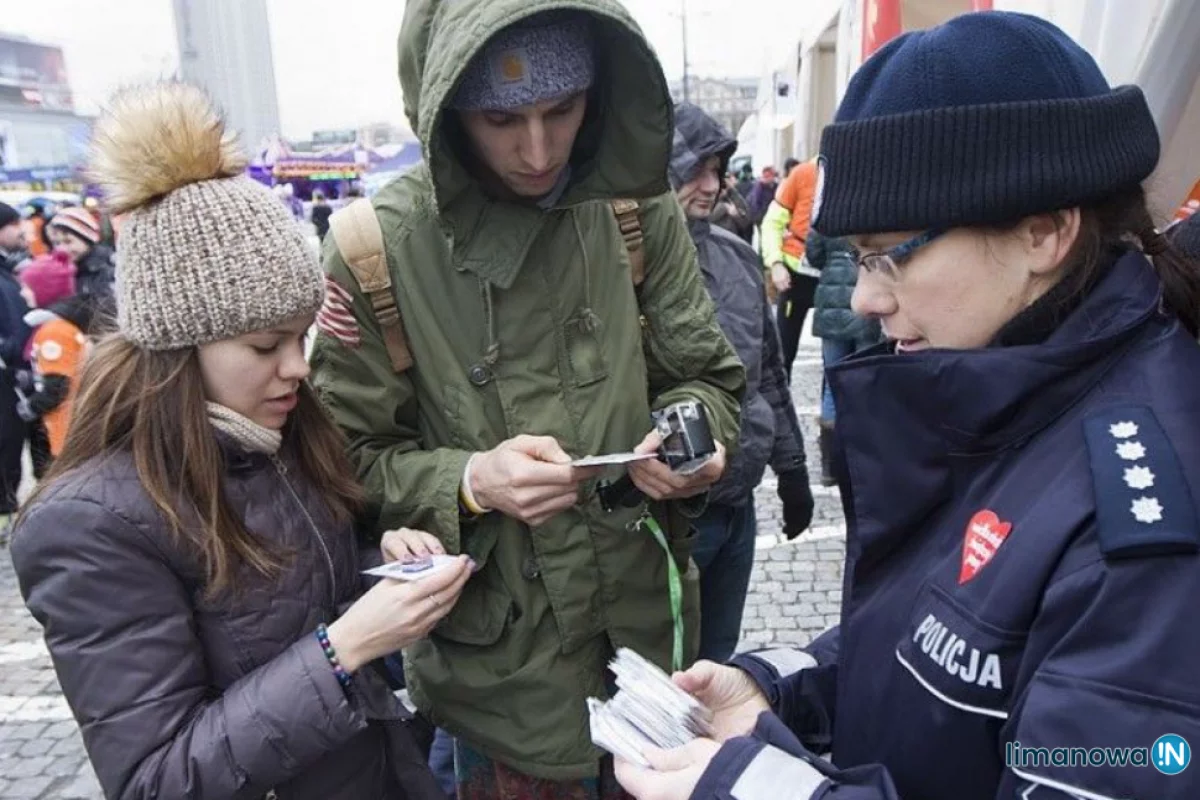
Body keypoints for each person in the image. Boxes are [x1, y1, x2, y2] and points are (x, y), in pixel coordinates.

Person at [615, 11, 1200, 800]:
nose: (864, 298)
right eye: (856, 260)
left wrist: (759, 792)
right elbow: (934, 641)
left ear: (1044, 232)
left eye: (888, 256)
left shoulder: (1151, 528)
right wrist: (787, 690)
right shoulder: (1004, 386)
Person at [310, 2, 745, 795]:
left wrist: (693, 441)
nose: (539, 150)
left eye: (563, 110)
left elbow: (706, 377)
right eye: (502, 117)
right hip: (500, 695)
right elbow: (340, 466)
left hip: (652, 656)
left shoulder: (636, 206)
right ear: (446, 109)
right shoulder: (373, 250)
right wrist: (471, 482)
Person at [10, 82, 468, 799]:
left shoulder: (272, 441)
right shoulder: (86, 525)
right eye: (264, 345)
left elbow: (290, 588)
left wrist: (382, 562)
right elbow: (154, 778)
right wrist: (344, 649)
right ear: (177, 347)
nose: (296, 367)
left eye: (300, 338)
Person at [669, 103, 814, 663]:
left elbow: (769, 374)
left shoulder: (734, 256)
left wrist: (792, 469)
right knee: (670, 672)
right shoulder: (621, 269)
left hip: (738, 508)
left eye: (718, 170)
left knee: (716, 660)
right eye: (696, 171)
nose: (712, 186)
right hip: (675, 516)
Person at [805, 228, 881, 487]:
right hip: (865, 292)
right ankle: (861, 462)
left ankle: (830, 467)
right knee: (864, 383)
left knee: (833, 384)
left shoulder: (825, 211)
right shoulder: (871, 208)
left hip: (831, 301)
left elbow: (813, 253)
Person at [762, 158, 820, 380]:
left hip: (838, 274)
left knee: (840, 356)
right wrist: (776, 264)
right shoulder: (803, 173)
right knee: (785, 350)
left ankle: (832, 413)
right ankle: (780, 406)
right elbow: (772, 222)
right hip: (796, 272)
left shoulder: (857, 170)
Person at [0, 200, 31, 528]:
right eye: (14, 224)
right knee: (6, 438)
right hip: (6, 372)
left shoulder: (8, 267)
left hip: (17, 371)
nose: (21, 230)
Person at [47, 205, 116, 305]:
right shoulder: (61, 270)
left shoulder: (107, 269)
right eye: (57, 243)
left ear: (87, 239)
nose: (61, 249)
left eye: (68, 241)